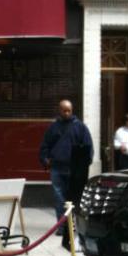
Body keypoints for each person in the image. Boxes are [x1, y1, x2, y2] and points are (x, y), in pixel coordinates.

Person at [39, 99, 93, 235]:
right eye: (64, 110)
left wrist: (85, 163)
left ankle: (74, 226)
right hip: (57, 167)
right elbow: (45, 145)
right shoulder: (53, 127)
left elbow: (88, 147)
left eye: (69, 110)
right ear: (60, 110)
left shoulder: (80, 127)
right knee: (59, 198)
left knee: (75, 199)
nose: (67, 113)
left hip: (74, 168)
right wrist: (45, 160)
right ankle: (62, 227)